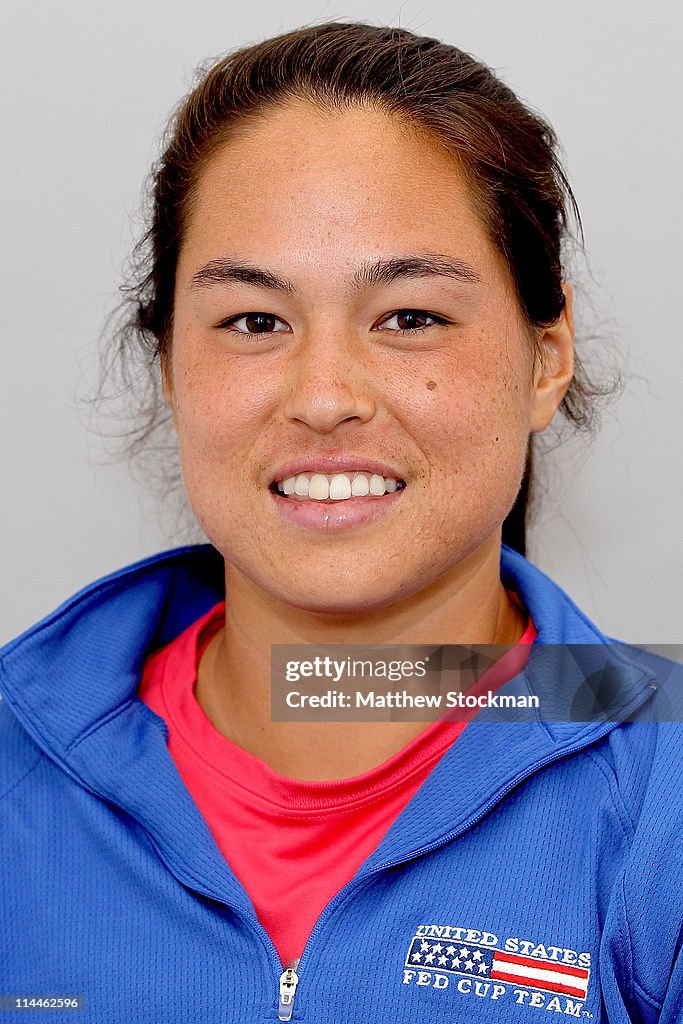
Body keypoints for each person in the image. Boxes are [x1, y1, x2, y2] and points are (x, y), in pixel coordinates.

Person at [0, 20, 681, 1024]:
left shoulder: (660, 791)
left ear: (544, 356)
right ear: (168, 370)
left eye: (409, 316)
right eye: (253, 321)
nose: (324, 396)